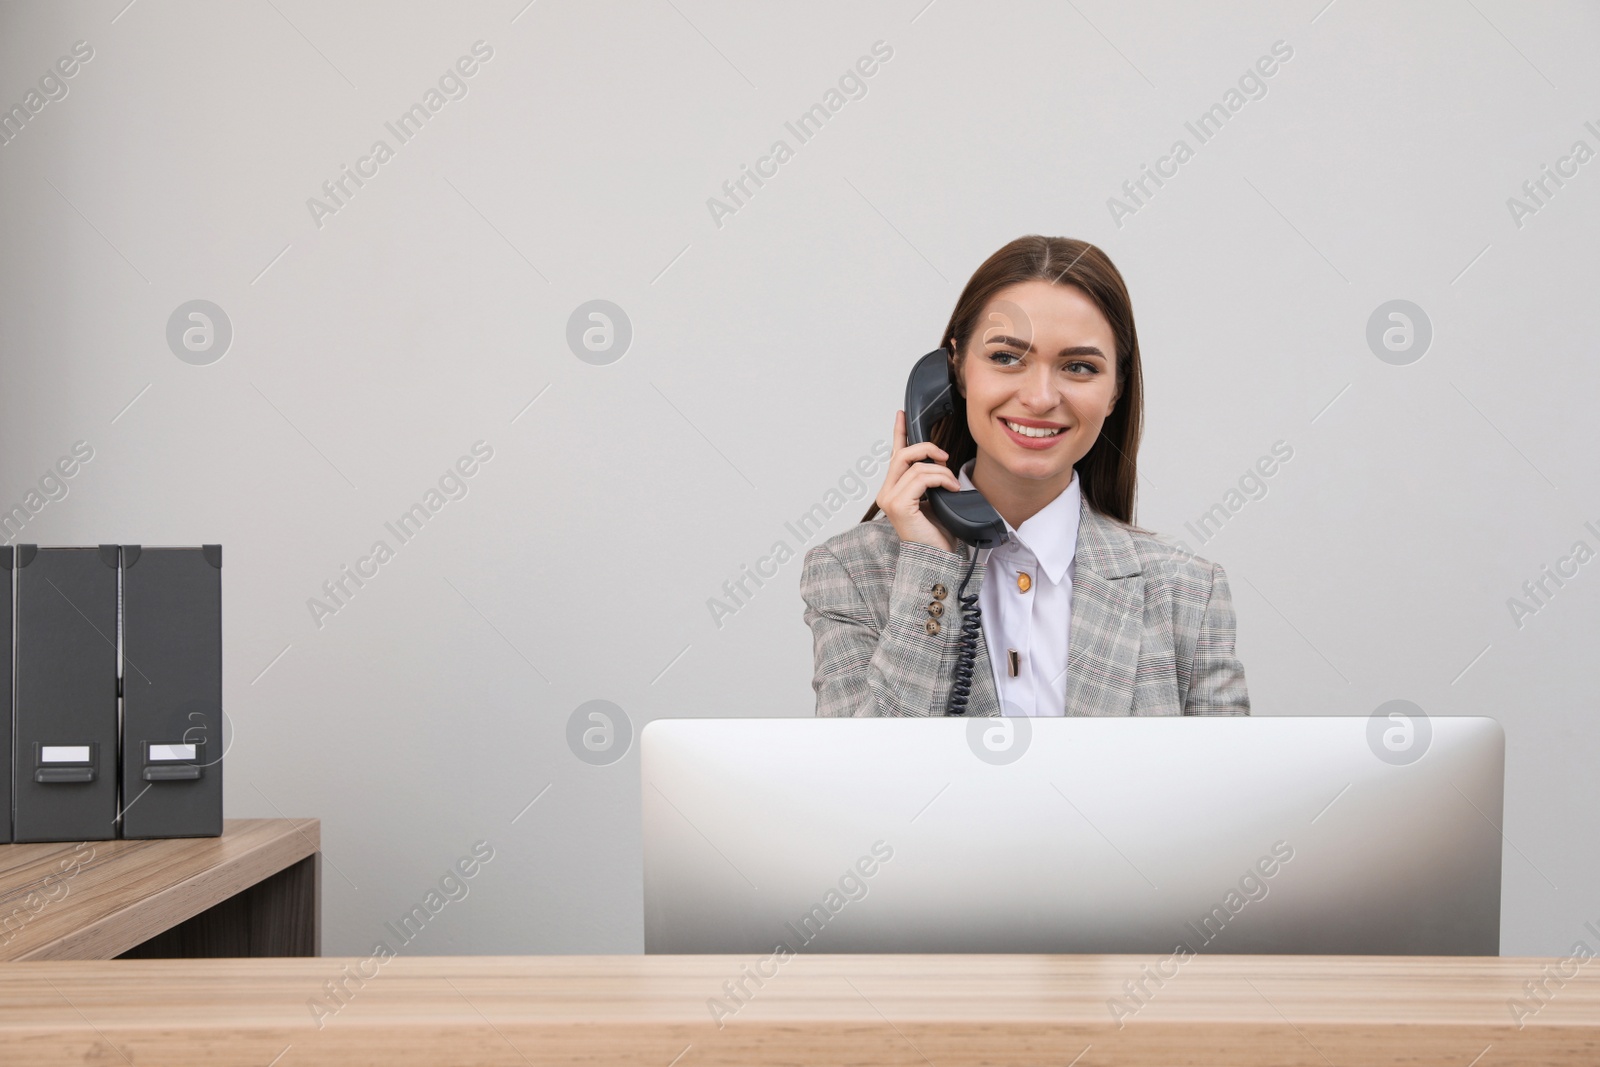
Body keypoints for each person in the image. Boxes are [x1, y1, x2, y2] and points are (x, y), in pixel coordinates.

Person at [799, 235, 1250, 718]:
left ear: (1116, 391)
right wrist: (929, 567)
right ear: (955, 372)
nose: (1039, 398)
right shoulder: (850, 570)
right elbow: (868, 778)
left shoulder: (1186, 590)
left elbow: (1222, 789)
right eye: (1006, 358)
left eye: (1079, 367)